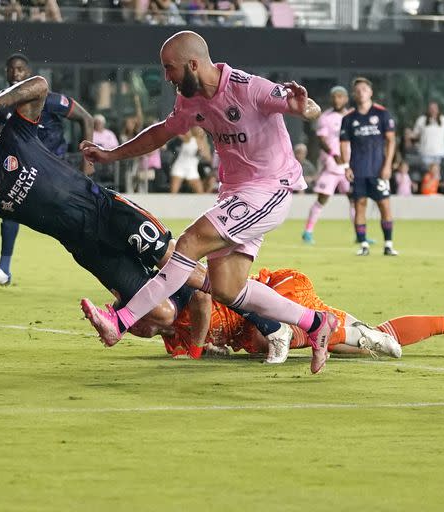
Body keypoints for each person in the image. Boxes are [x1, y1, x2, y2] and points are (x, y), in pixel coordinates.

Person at [78, 31, 337, 374]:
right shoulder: (191, 99)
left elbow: (307, 109)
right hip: (234, 194)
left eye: (169, 68)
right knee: (228, 288)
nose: (167, 77)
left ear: (193, 64)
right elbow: (162, 132)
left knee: (188, 243)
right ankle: (316, 323)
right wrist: (112, 155)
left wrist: (306, 107)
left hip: (270, 189)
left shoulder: (249, 88)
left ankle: (121, 320)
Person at [0, 76, 205, 333]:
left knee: (186, 269)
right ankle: (191, 316)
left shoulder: (16, 134)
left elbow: (39, 85)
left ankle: (245, 309)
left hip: (109, 212)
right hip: (86, 248)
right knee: (159, 317)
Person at [137, 268, 444, 361]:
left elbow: (203, 302)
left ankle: (344, 332)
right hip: (251, 330)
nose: (135, 329)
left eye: (134, 320)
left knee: (269, 338)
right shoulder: (171, 342)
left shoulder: (176, 297)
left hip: (278, 293)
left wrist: (200, 348)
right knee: (367, 344)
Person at [0, 52, 95, 287]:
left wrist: (86, 164)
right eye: (11, 69)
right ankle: (3, 269)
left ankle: (111, 261)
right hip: (24, 168)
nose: (16, 73)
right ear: (6, 73)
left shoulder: (50, 100)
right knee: (9, 208)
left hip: (55, 169)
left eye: (20, 70)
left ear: (28, 73)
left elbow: (87, 119)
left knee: (77, 218)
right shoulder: (1, 104)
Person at [340, 77, 398, 257]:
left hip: (378, 169)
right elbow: (343, 143)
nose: (361, 92)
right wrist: (346, 166)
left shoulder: (382, 114)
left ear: (371, 92)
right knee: (360, 205)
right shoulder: (349, 118)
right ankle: (363, 244)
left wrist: (387, 165)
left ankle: (388, 244)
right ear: (354, 95)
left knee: (384, 205)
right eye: (357, 90)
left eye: (364, 89)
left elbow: (391, 141)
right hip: (358, 169)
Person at [302, 85, 351, 244]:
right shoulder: (326, 117)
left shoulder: (352, 116)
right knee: (322, 199)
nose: (337, 99)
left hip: (348, 166)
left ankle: (360, 234)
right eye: (334, 96)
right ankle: (308, 232)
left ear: (346, 99)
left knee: (355, 199)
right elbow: (321, 139)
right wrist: (332, 154)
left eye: (340, 96)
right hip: (331, 165)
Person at [411, 101, 444, 167]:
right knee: (427, 175)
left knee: (437, 175)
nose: (433, 110)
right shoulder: (421, 120)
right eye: (431, 108)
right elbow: (415, 134)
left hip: (440, 153)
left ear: (438, 109)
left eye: (435, 108)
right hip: (425, 153)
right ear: (428, 110)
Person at [169, 126, 208, 193]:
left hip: (192, 169)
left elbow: (208, 158)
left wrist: (202, 152)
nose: (200, 130)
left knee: (201, 193)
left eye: (201, 129)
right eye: (198, 128)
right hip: (179, 167)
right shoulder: (189, 138)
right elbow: (178, 132)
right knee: (173, 193)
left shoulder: (203, 144)